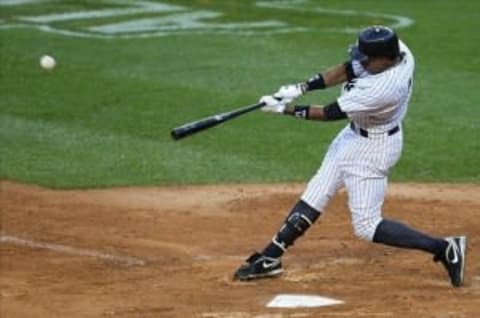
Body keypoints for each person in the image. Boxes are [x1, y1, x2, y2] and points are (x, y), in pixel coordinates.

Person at [233, 26, 467, 287]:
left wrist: (284, 109)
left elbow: (330, 113)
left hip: (373, 149)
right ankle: (271, 258)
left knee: (367, 225)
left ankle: (445, 247)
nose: (361, 61)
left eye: (367, 58)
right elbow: (349, 68)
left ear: (384, 59)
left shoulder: (384, 89)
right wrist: (301, 87)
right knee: (317, 191)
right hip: (353, 135)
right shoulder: (397, 50)